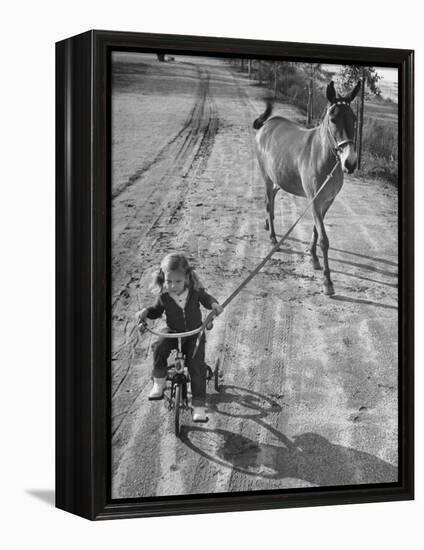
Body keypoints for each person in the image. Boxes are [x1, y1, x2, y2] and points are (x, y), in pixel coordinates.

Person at [136, 253, 223, 422]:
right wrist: (146, 312)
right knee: (159, 345)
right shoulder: (164, 296)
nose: (173, 286)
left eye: (178, 281)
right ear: (163, 278)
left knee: (196, 367)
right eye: (169, 281)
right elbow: (155, 311)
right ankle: (159, 381)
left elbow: (207, 299)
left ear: (187, 278)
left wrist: (214, 304)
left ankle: (198, 406)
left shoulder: (195, 292)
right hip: (173, 331)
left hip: (194, 334)